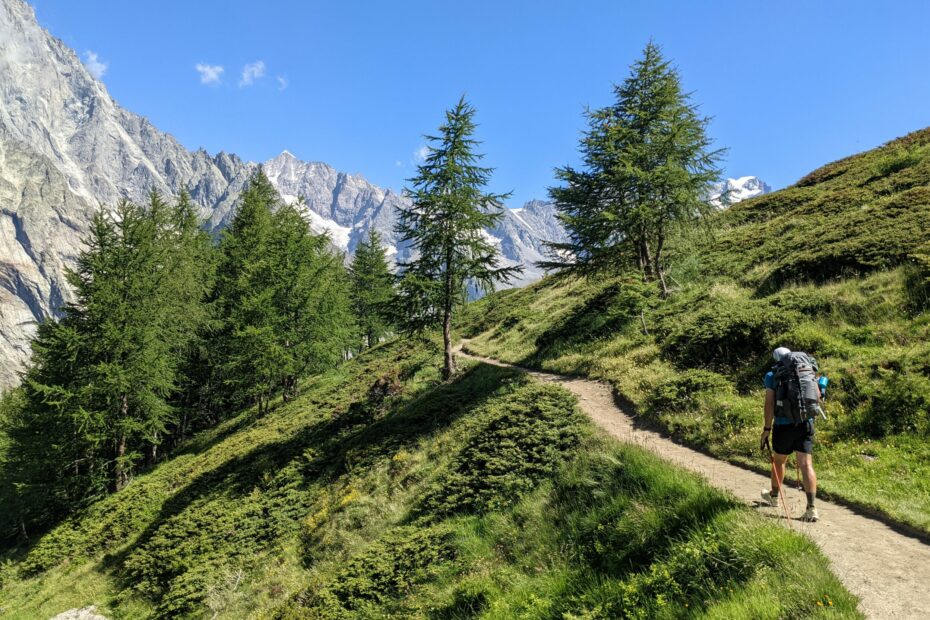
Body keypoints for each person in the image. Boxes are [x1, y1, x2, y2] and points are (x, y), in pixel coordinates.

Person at [759, 346, 820, 522]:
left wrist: (767, 428)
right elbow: (816, 398)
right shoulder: (807, 370)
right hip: (805, 424)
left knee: (779, 461)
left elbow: (769, 404)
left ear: (776, 359)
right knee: (806, 464)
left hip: (783, 426)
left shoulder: (772, 376)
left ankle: (774, 497)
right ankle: (811, 508)